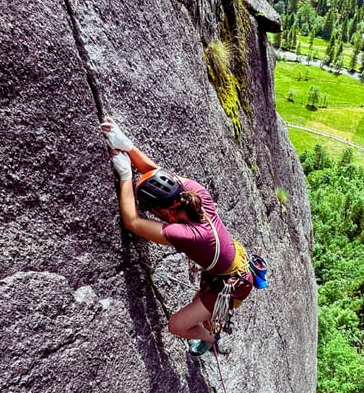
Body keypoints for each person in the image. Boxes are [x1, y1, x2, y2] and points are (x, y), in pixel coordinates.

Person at [102, 118, 254, 356]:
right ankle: (210, 330)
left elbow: (133, 222)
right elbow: (158, 173)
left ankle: (209, 338)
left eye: (155, 213)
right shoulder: (195, 193)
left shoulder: (186, 234)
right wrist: (127, 145)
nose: (154, 216)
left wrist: (125, 177)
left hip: (229, 282)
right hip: (229, 268)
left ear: (166, 212)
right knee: (202, 305)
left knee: (177, 325)